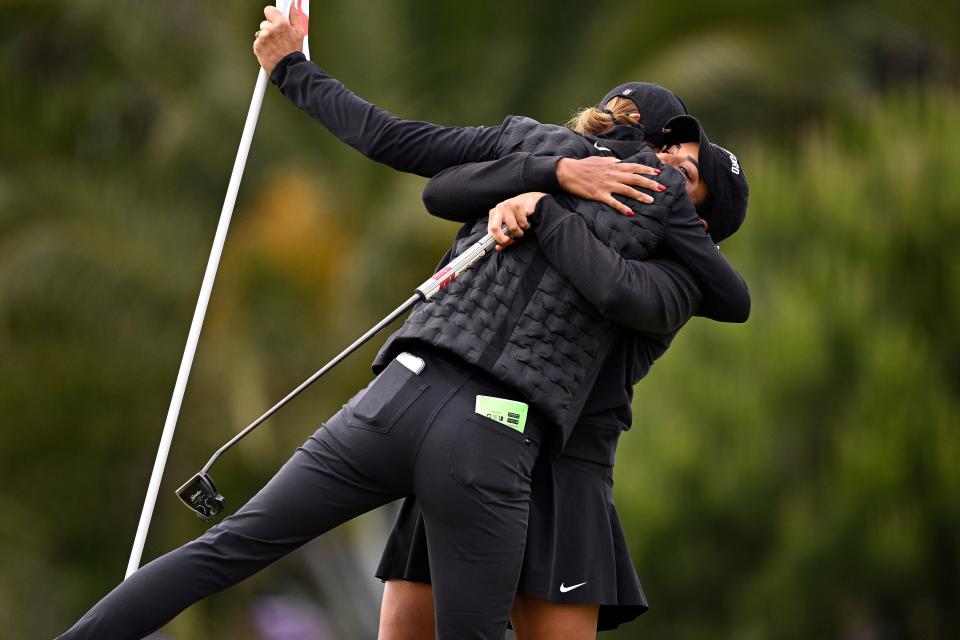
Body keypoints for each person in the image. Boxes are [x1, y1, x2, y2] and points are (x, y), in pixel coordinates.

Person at [57, 9, 748, 640]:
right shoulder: (557, 167)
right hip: (487, 434)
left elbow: (403, 150)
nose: (668, 172)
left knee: (226, 550)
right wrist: (553, 175)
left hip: (409, 402)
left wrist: (539, 197)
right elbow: (426, 174)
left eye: (687, 175)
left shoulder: (640, 242)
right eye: (670, 155)